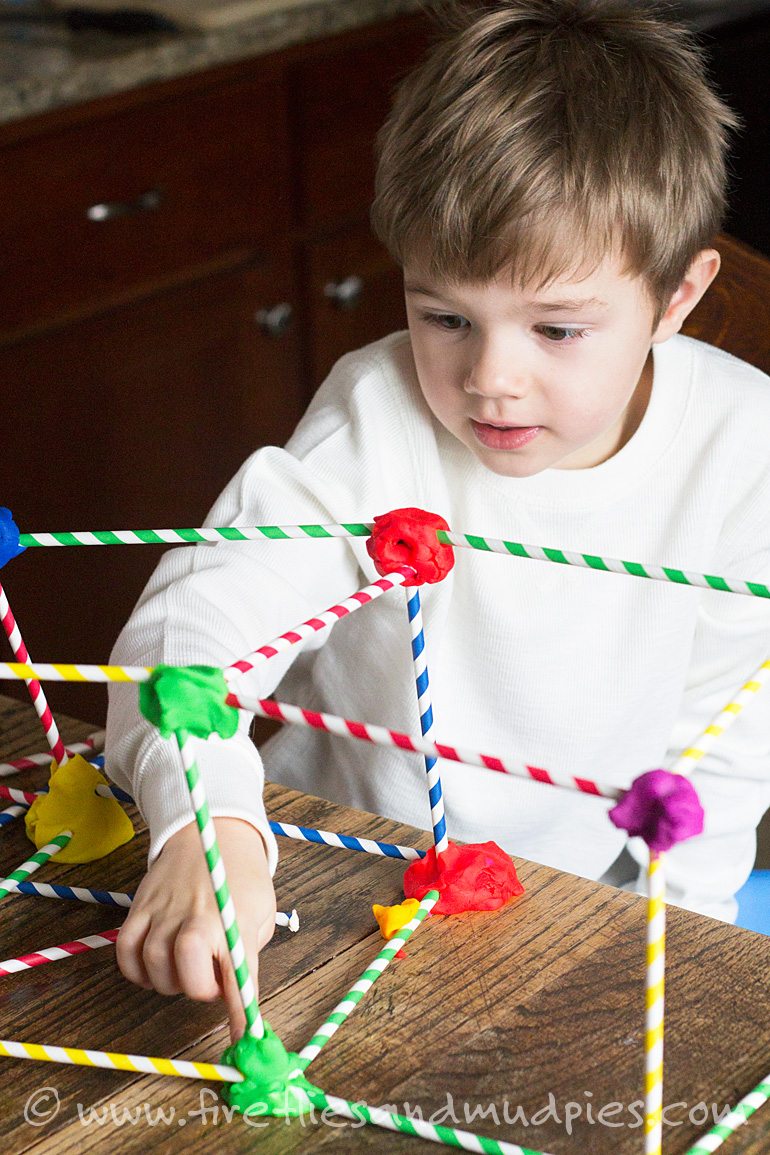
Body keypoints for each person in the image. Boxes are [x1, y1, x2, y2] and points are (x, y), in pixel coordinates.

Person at [106, 0, 770, 1041]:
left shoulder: (742, 448)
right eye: (443, 316)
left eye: (555, 328)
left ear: (677, 297)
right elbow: (191, 635)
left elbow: (718, 756)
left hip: (560, 917)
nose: (489, 380)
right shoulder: (378, 414)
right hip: (322, 885)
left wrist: (670, 962)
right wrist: (208, 822)